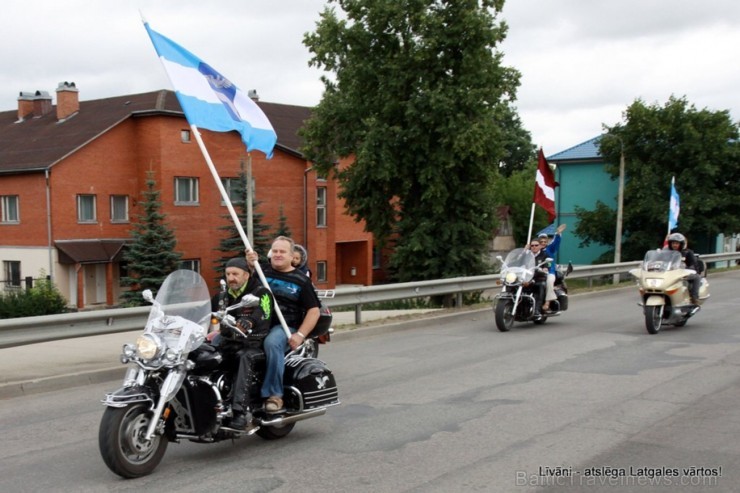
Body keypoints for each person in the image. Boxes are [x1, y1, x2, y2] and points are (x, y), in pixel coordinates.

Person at [246, 236, 321, 413]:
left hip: (285, 326)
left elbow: (314, 310)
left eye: (282, 252)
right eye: (275, 251)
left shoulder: (301, 280)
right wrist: (250, 266)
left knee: (272, 343)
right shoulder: (261, 272)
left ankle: (275, 395)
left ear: (291, 255)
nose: (278, 255)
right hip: (258, 322)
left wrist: (300, 335)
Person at [210, 257, 273, 430]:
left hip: (254, 343)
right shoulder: (222, 296)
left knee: (244, 358)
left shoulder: (261, 292)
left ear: (246, 275)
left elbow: (264, 312)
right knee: (204, 354)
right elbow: (208, 314)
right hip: (228, 340)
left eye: (235, 274)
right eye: (228, 274)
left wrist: (249, 322)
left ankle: (239, 413)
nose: (231, 278)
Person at [663, 232, 701, 304]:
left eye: (677, 243)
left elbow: (693, 264)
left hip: (682, 274)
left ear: (681, 244)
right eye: (673, 243)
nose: (675, 245)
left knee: (697, 277)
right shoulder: (666, 252)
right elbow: (659, 261)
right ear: (670, 243)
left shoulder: (687, 252)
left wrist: (690, 269)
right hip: (668, 273)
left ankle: (694, 297)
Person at [537, 224, 567, 312]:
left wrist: (558, 233)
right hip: (535, 272)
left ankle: (547, 302)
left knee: (549, 282)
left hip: (549, 271)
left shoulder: (550, 249)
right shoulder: (534, 250)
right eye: (541, 241)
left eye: (544, 241)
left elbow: (555, 243)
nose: (543, 243)